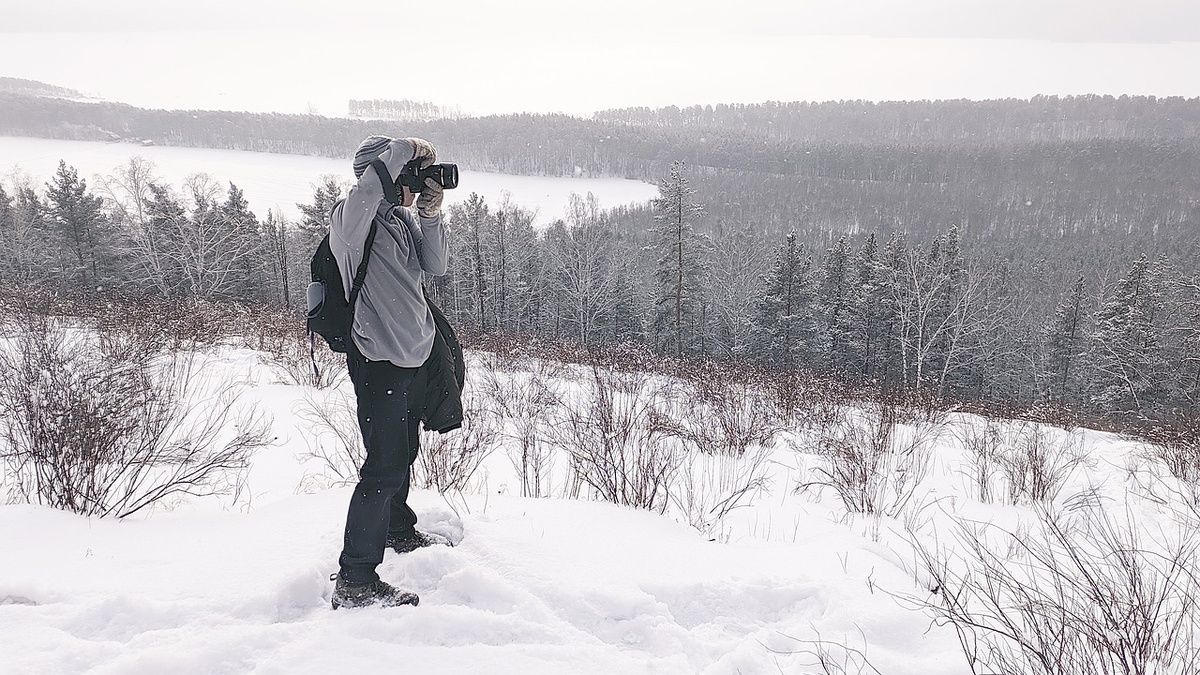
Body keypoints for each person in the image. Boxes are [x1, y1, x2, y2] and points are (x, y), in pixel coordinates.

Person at [328, 135, 452, 610]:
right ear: (379, 176)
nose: (412, 183)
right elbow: (367, 191)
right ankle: (356, 577)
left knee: (404, 452)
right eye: (405, 176)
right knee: (382, 465)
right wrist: (405, 148)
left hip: (414, 356)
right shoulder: (350, 220)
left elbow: (436, 265)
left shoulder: (398, 221)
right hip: (379, 359)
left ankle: (399, 528)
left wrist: (429, 213)